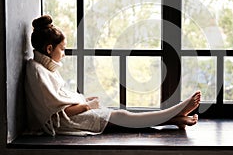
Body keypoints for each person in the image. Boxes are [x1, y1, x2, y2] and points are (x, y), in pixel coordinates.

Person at [25, 15, 201, 136]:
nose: (64, 54)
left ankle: (175, 118)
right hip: (68, 123)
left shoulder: (45, 69)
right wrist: (87, 105)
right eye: (62, 49)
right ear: (49, 49)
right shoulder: (36, 71)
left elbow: (58, 103)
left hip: (74, 117)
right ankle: (175, 114)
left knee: (122, 117)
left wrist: (84, 101)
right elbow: (57, 114)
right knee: (122, 117)